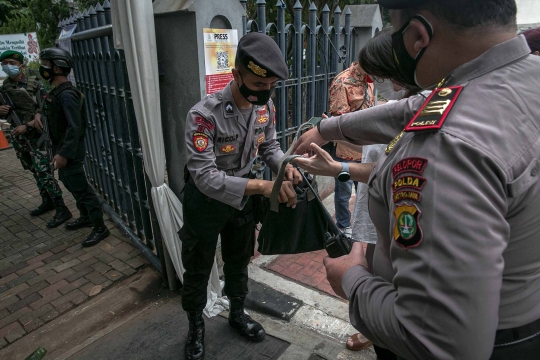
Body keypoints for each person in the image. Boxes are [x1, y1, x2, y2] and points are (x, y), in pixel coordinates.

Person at [292, 0, 540, 358]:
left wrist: (352, 279)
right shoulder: (521, 76)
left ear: (418, 35)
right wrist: (328, 128)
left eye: (395, 31)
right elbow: (416, 109)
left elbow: (437, 340)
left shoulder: (443, 150)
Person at [179, 32, 301, 360]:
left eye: (271, 87)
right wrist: (263, 187)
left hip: (242, 199)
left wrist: (283, 167)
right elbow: (204, 177)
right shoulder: (203, 115)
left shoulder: (265, 107)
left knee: (239, 259)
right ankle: (195, 325)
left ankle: (236, 313)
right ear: (235, 75)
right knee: (198, 263)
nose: (266, 93)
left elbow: (269, 146)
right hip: (205, 202)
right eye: (259, 86)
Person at [38, 48, 110, 247]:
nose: (43, 68)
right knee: (73, 186)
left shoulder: (67, 95)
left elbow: (74, 127)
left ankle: (100, 227)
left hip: (69, 153)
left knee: (83, 191)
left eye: (46, 64)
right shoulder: (58, 93)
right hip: (63, 150)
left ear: (58, 68)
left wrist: (62, 154)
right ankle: (86, 217)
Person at [0, 50, 68, 223]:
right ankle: (47, 201)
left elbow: (46, 109)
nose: (7, 66)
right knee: (33, 170)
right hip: (19, 138)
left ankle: (62, 208)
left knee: (44, 171)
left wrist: (28, 125)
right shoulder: (4, 89)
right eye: (4, 64)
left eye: (11, 63)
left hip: (37, 137)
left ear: (21, 66)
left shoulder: (34, 85)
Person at [327, 61, 374, 238]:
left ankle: (361, 229)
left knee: (364, 194)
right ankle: (343, 226)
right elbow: (338, 122)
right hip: (346, 152)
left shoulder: (369, 79)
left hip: (366, 149)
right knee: (343, 193)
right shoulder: (342, 82)